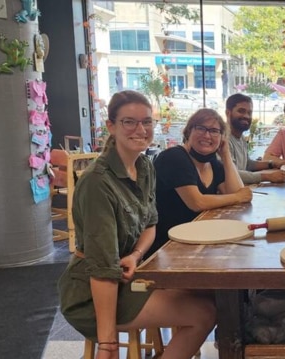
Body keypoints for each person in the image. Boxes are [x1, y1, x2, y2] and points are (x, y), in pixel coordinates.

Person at [58, 90, 216, 358]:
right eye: (129, 122)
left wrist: (135, 254)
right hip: (91, 292)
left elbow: (150, 224)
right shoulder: (98, 182)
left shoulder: (144, 166)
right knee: (205, 314)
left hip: (128, 273)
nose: (140, 129)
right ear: (111, 126)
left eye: (147, 122)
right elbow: (103, 268)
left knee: (209, 291)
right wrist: (108, 345)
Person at [149, 108, 252, 257]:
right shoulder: (174, 157)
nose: (207, 135)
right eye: (201, 128)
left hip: (197, 241)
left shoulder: (213, 164)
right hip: (166, 248)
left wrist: (226, 155)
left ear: (222, 138)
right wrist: (238, 197)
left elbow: (235, 193)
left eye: (214, 131)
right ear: (188, 131)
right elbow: (197, 202)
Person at [225, 93, 285, 184]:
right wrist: (267, 176)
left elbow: (247, 164)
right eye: (241, 111)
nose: (246, 116)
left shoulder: (240, 137)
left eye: (249, 112)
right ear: (228, 113)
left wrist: (272, 163)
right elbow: (229, 174)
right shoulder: (222, 139)